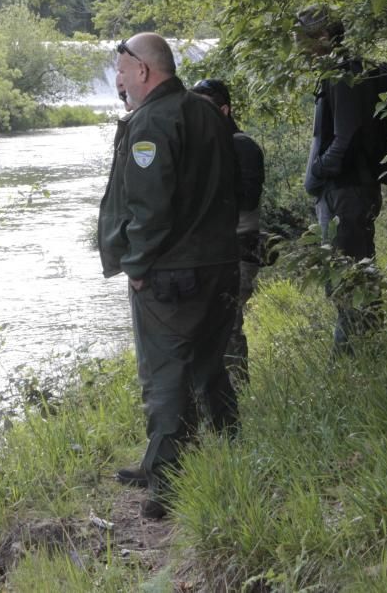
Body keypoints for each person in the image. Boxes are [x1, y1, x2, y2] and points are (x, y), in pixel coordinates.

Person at [98, 33, 240, 519]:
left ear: (143, 70)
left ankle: (169, 479)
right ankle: (226, 449)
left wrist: (136, 265)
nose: (117, 79)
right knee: (208, 364)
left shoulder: (153, 121)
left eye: (120, 69)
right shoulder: (207, 112)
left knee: (165, 374)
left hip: (172, 273)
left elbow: (150, 207)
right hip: (220, 263)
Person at [297, 6, 383, 355]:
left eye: (302, 40)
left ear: (323, 37)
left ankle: (349, 358)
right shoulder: (345, 71)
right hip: (354, 189)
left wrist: (319, 170)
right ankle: (370, 348)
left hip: (347, 193)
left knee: (347, 279)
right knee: (356, 271)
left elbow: (345, 135)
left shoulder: (342, 75)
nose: (298, 49)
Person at [190, 79, 264, 385]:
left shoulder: (242, 145)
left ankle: (237, 391)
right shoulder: (204, 147)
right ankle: (218, 396)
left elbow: (247, 199)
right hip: (211, 250)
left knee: (228, 323)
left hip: (240, 247)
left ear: (224, 109)